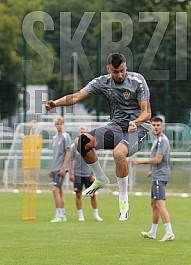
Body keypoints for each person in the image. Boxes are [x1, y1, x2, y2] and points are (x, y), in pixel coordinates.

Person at [45, 52, 151, 221]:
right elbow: (78, 96)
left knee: (118, 154)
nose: (120, 75)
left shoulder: (138, 81)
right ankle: (101, 178)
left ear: (126, 67)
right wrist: (55, 103)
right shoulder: (102, 82)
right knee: (81, 142)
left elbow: (147, 113)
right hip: (115, 127)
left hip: (137, 129)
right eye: (116, 72)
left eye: (122, 70)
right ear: (109, 69)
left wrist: (135, 122)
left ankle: (123, 199)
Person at [131, 116, 175, 242]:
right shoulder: (158, 140)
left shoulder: (162, 140)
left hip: (160, 176)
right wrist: (152, 171)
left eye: (158, 125)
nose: (156, 127)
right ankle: (152, 232)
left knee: (160, 203)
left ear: (162, 127)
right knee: (154, 204)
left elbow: (158, 159)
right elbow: (163, 160)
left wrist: (140, 161)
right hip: (157, 174)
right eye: (154, 125)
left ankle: (169, 232)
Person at [70, 126, 103, 222]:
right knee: (78, 194)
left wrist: (95, 174)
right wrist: (71, 173)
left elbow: (95, 161)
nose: (82, 134)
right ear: (78, 134)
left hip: (89, 174)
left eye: (84, 132)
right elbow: (71, 160)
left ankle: (96, 215)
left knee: (93, 194)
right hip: (77, 174)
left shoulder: (90, 146)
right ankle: (81, 215)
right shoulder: (74, 147)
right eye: (81, 132)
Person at [49, 116, 71, 223]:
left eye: (61, 123)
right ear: (55, 125)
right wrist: (51, 168)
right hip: (55, 168)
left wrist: (64, 167)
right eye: (57, 124)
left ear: (64, 124)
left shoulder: (65, 136)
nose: (59, 126)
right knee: (60, 191)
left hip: (61, 168)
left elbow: (68, 152)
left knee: (55, 190)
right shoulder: (54, 138)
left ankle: (58, 214)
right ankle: (63, 214)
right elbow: (55, 155)